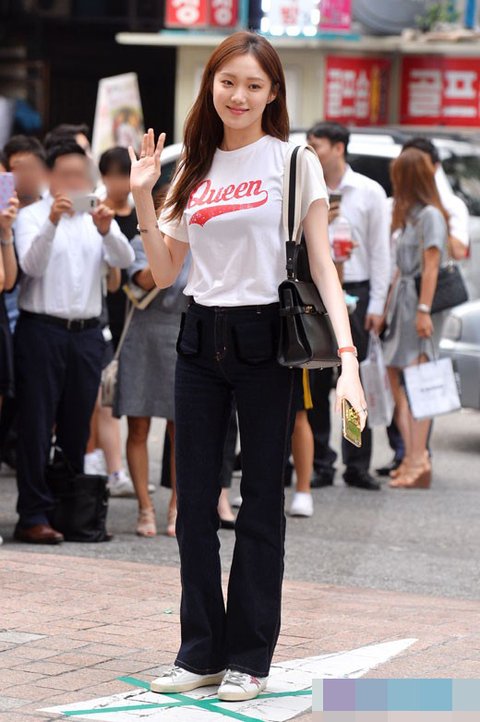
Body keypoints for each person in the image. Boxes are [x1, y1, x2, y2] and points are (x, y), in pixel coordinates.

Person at [129, 31, 366, 702]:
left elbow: (322, 266)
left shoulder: (293, 161)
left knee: (262, 501)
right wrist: (144, 195)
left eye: (253, 85)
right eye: (228, 81)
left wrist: (348, 361)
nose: (239, 95)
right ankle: (199, 651)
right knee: (192, 503)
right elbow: (165, 272)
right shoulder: (192, 166)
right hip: (199, 339)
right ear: (211, 85)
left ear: (272, 94)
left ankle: (249, 657)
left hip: (267, 341)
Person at [13, 139, 134, 545]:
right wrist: (51, 220)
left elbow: (123, 261)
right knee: (35, 423)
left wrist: (107, 228)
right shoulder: (31, 216)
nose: (74, 182)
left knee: (77, 424)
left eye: (80, 174)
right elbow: (30, 267)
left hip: (86, 334)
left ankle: (68, 510)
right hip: (41, 330)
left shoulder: (94, 216)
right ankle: (33, 513)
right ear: (50, 176)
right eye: (66, 174)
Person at [306, 122, 390, 491]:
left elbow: (381, 252)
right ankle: (320, 462)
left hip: (357, 290)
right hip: (317, 292)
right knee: (315, 379)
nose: (312, 151)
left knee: (356, 378)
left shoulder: (369, 191)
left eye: (317, 145)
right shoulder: (307, 188)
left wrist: (378, 303)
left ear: (338, 148)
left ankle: (356, 463)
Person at [113, 234, 189, 537]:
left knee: (180, 429)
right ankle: (144, 507)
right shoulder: (142, 239)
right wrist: (167, 245)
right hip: (143, 332)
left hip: (183, 332)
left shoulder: (197, 237)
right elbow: (144, 281)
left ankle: (177, 506)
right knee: (138, 426)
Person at [383, 148, 448, 489]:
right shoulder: (410, 215)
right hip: (403, 303)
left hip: (418, 305)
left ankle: (418, 459)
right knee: (396, 377)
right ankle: (412, 456)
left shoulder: (430, 216)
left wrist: (424, 310)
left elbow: (432, 266)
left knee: (419, 381)